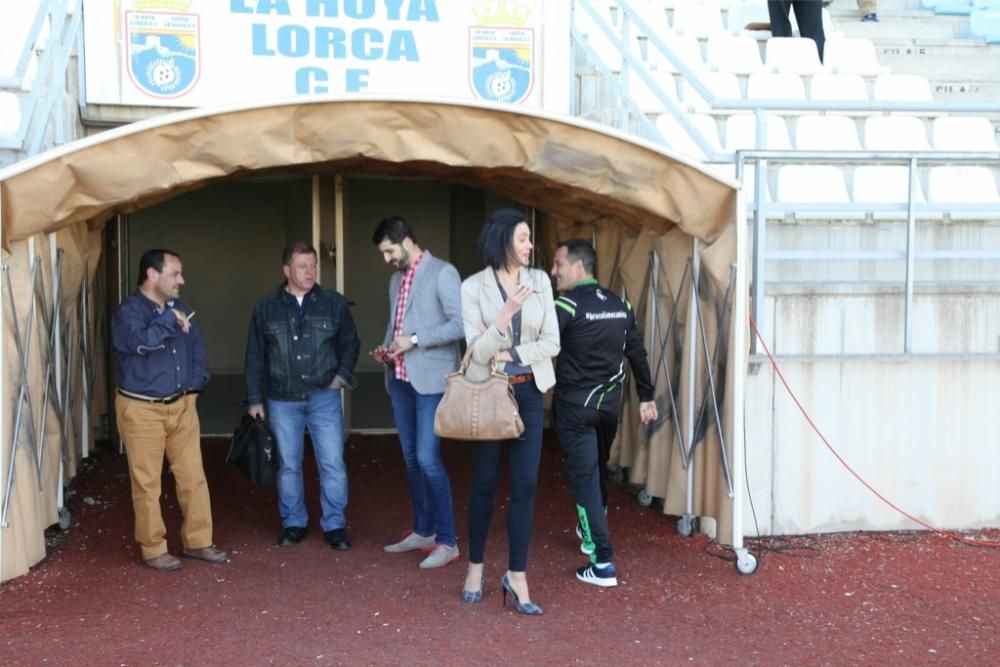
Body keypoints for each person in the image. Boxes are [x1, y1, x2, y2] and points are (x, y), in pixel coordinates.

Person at [459, 208, 560, 615]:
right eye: (523, 238)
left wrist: (512, 352)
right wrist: (503, 318)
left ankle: (517, 575)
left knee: (525, 487)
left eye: (529, 238)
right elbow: (474, 352)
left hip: (529, 392)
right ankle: (475, 566)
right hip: (488, 392)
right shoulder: (472, 287)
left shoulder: (540, 281)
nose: (530, 246)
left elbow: (552, 342)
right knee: (483, 484)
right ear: (503, 241)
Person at [111, 249, 229, 571]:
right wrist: (167, 318)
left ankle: (198, 542)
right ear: (152, 275)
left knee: (193, 476)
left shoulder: (181, 308)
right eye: (175, 274)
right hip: (141, 408)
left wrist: (194, 388)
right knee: (147, 483)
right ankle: (153, 549)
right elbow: (141, 343)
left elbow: (197, 349)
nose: (182, 280)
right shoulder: (128, 312)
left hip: (182, 405)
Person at [550, 239, 658, 588]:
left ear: (577, 267)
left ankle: (602, 563)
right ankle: (589, 530)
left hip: (575, 409)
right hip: (608, 409)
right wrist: (647, 397)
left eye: (558, 265)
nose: (554, 272)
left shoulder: (564, 305)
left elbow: (543, 345)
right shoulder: (619, 304)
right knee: (596, 476)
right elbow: (637, 353)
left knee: (585, 482)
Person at [245, 242, 360, 550]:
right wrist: (255, 399)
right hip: (282, 399)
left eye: (313, 266)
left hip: (324, 395)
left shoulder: (333, 303)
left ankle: (334, 524)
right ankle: (293, 522)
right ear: (286, 270)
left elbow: (351, 343)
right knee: (288, 465)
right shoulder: (266, 307)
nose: (310, 272)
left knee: (332, 462)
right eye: (303, 266)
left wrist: (340, 378)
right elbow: (255, 355)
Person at [370, 216, 464, 569]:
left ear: (407, 241)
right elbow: (396, 325)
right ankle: (423, 530)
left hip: (431, 382)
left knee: (427, 458)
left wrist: (415, 340)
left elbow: (460, 325)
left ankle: (448, 540)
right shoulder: (396, 280)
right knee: (411, 459)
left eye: (389, 251)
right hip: (400, 379)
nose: (387, 259)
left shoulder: (443, 272)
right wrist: (387, 349)